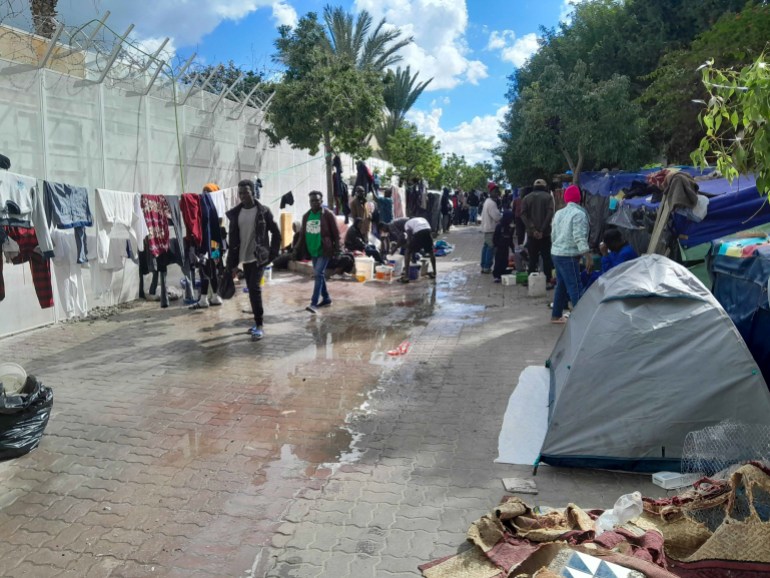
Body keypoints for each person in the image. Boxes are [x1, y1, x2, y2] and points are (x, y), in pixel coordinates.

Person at [225, 179, 282, 340]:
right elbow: (233, 241)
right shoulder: (235, 214)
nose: (242, 195)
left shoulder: (264, 211)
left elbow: (276, 234)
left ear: (253, 192)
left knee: (254, 289)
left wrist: (271, 255)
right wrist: (232, 264)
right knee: (251, 290)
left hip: (258, 258)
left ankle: (259, 325)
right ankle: (257, 322)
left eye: (246, 192)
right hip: (242, 258)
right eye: (240, 193)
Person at [550, 184, 592, 324]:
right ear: (580, 199)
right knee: (575, 287)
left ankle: (556, 315)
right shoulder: (579, 214)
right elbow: (579, 236)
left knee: (561, 286)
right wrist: (588, 256)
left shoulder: (559, 213)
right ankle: (583, 320)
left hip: (556, 253)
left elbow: (553, 234)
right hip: (568, 255)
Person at [295, 191, 341, 314]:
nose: (314, 202)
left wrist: (338, 249)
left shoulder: (328, 215)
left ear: (321, 201)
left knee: (318, 273)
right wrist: (296, 249)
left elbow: (336, 234)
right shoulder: (306, 216)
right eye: (312, 200)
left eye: (317, 200)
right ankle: (326, 298)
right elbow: (302, 235)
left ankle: (313, 303)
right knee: (319, 275)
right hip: (312, 250)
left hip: (325, 250)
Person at [521, 179, 555, 287]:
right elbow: (550, 214)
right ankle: (548, 280)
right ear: (544, 187)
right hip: (545, 234)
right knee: (546, 258)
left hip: (532, 235)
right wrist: (541, 230)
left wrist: (533, 229)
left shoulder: (527, 198)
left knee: (533, 258)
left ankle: (531, 279)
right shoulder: (548, 197)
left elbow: (523, 215)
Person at [398, 216, 436, 283]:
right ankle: (434, 272)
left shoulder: (407, 224)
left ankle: (406, 276)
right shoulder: (422, 218)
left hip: (419, 232)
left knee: (407, 251)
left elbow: (409, 237)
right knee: (431, 252)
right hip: (428, 231)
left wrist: (407, 245)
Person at [480, 183, 502, 274]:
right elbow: (497, 217)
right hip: (491, 229)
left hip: (486, 228)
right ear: (491, 192)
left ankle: (484, 265)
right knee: (490, 248)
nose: (497, 193)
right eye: (495, 191)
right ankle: (487, 267)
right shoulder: (492, 203)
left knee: (486, 247)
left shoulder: (487, 201)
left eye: (497, 191)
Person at [493, 210, 516, 282]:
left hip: (506, 247)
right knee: (498, 261)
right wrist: (497, 245)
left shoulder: (510, 227)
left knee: (505, 261)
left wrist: (512, 248)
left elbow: (510, 239)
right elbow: (495, 238)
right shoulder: (499, 226)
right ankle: (497, 275)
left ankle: (503, 273)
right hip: (499, 247)